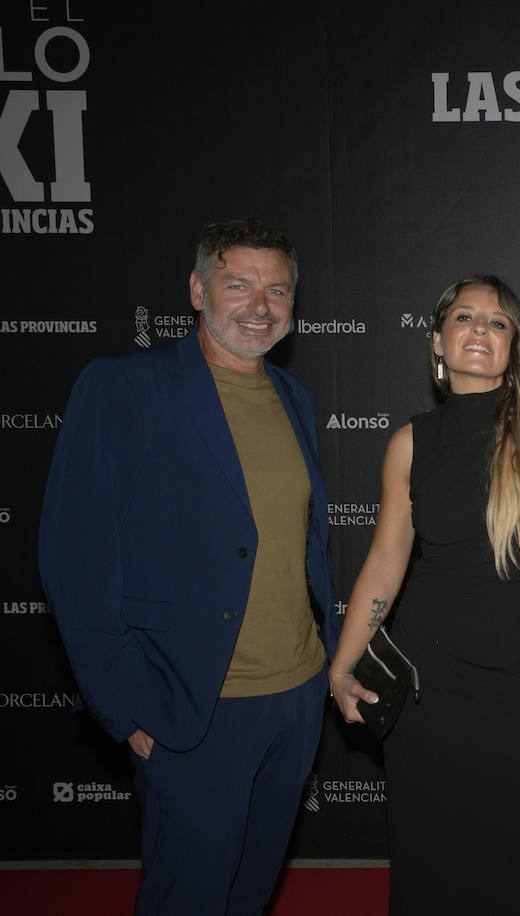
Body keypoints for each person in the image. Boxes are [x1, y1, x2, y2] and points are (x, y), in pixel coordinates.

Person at [38, 218, 336, 915]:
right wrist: (127, 705)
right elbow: (72, 560)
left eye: (278, 289)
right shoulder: (123, 388)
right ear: (198, 289)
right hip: (194, 709)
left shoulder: (296, 401)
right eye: (239, 284)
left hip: (293, 702)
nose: (260, 305)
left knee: (250, 894)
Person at [328, 274, 520, 913]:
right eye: (465, 318)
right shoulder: (409, 442)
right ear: (438, 342)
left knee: (511, 859)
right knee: (429, 859)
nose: (481, 330)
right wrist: (343, 662)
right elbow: (386, 563)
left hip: (519, 686)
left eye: (498, 322)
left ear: (515, 347)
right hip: (427, 686)